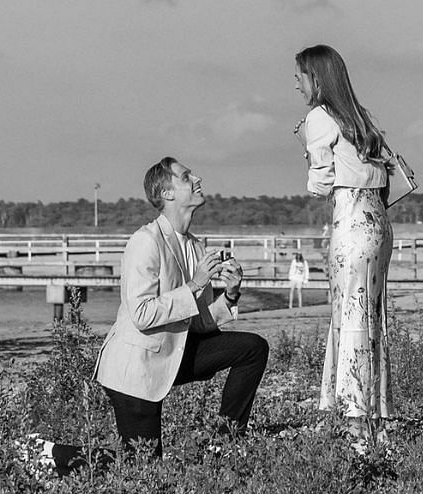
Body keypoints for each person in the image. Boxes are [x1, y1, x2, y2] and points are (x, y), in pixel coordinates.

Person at [22, 158, 269, 476]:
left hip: (173, 355)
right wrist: (195, 284)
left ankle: (224, 444)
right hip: (135, 368)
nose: (197, 178)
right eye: (185, 176)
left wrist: (231, 294)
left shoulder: (194, 246)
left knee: (252, 348)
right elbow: (141, 314)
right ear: (167, 193)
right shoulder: (145, 241)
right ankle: (45, 454)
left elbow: (198, 322)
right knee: (143, 469)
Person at [294, 44, 395, 444]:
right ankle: (376, 418)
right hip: (379, 226)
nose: (296, 85)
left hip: (351, 222)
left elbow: (318, 184)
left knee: (349, 318)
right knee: (371, 318)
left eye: (300, 77)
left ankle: (353, 422)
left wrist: (306, 147)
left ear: (317, 79)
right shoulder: (359, 119)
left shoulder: (318, 117)